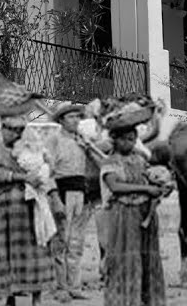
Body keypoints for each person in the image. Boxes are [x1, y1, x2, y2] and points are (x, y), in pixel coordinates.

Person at [100, 103, 170, 306]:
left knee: (146, 258)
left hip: (144, 214)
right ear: (115, 139)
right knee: (126, 260)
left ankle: (144, 300)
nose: (129, 143)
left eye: (133, 139)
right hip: (124, 215)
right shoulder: (110, 161)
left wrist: (162, 187)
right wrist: (147, 190)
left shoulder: (140, 160)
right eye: (125, 139)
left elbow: (150, 179)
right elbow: (115, 186)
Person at [0, 115, 56, 306]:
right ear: (2, 129)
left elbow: (47, 169)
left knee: (34, 250)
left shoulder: (31, 147)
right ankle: (10, 296)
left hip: (30, 207)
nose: (15, 134)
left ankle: (36, 297)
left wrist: (43, 171)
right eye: (10, 129)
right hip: (5, 207)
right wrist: (20, 177)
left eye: (19, 130)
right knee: (6, 251)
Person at [47, 102, 104, 300]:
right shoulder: (54, 140)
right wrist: (54, 197)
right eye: (70, 117)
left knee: (77, 242)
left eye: (77, 117)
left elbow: (101, 164)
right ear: (62, 120)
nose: (75, 120)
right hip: (62, 191)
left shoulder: (83, 140)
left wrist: (89, 148)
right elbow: (48, 171)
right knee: (61, 240)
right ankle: (60, 287)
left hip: (81, 192)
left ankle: (74, 286)